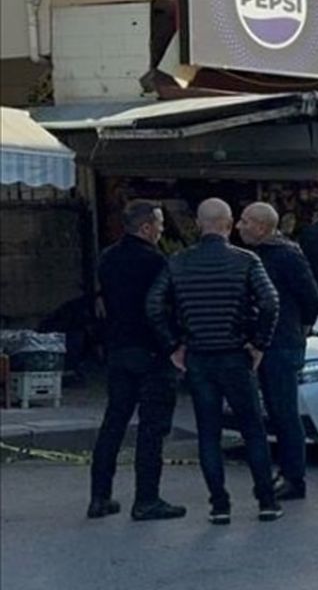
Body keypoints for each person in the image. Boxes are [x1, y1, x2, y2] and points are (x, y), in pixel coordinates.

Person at [146, 198, 283, 525]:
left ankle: (219, 505)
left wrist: (173, 345)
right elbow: (269, 301)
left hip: (199, 356)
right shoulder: (246, 260)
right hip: (236, 354)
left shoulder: (178, 262)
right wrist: (259, 343)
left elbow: (153, 305)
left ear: (198, 223)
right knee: (253, 429)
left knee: (208, 431)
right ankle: (266, 499)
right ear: (227, 222)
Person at [88, 200, 186, 522]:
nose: (162, 228)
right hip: (152, 352)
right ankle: (147, 499)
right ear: (145, 227)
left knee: (113, 423)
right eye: (158, 223)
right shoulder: (156, 262)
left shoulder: (108, 258)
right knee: (152, 428)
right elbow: (164, 307)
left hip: (119, 349)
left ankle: (100, 497)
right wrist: (173, 344)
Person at [238, 202, 318, 502]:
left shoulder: (286, 256)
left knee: (284, 411)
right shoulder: (256, 255)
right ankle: (285, 471)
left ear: (262, 226)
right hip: (268, 341)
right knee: (275, 410)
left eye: (246, 221)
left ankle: (294, 476)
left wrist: (302, 327)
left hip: (281, 343)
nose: (240, 226)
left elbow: (311, 298)